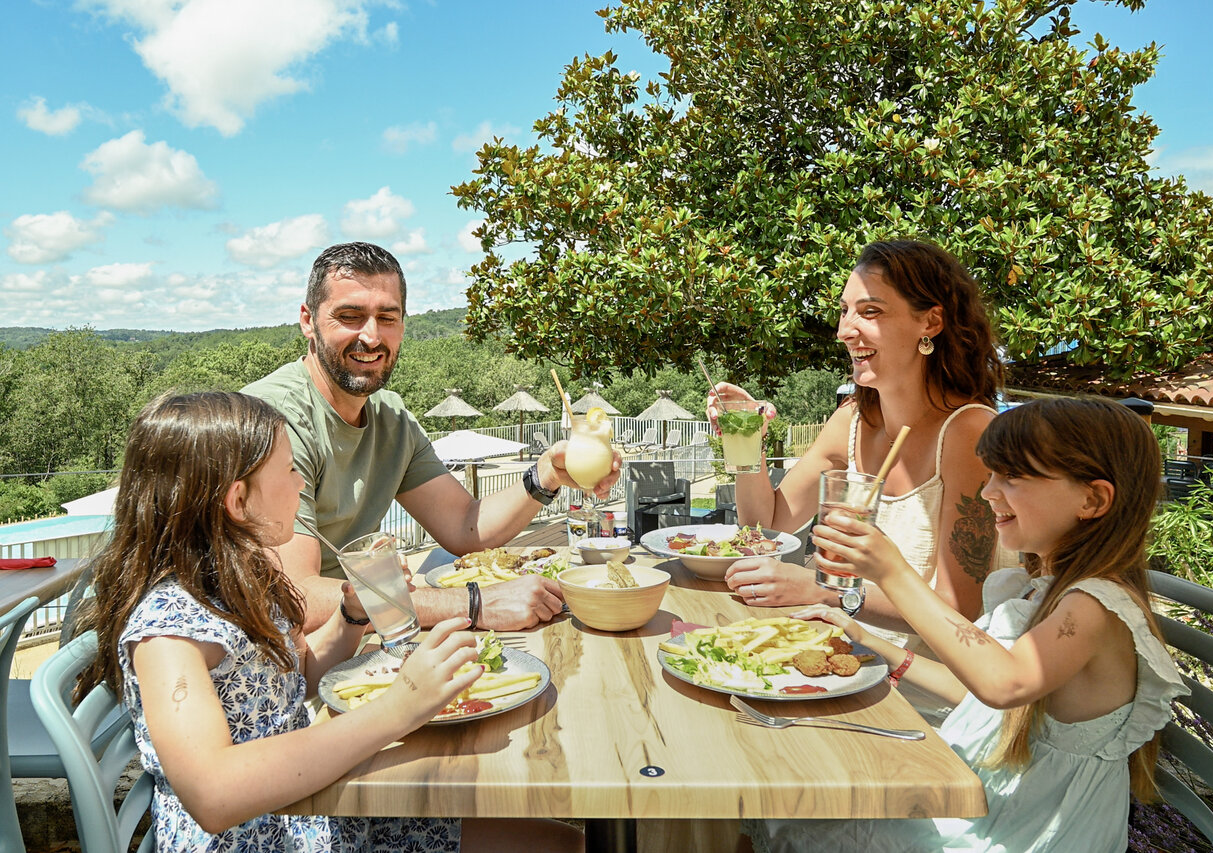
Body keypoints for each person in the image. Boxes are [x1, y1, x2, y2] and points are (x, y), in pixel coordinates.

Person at [77, 391, 584, 852]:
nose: (302, 483)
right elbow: (214, 794)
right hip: (265, 839)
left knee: (560, 842)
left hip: (319, 815)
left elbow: (295, 676)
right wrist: (400, 706)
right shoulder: (170, 629)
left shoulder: (240, 582)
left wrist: (350, 616)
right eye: (289, 472)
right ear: (237, 501)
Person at [744, 397, 1188, 852]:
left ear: (1092, 499)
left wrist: (892, 572)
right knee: (783, 797)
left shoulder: (1095, 606)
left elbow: (1005, 685)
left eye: (1011, 478)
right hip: (991, 801)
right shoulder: (1045, 589)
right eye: (992, 474)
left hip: (1026, 831)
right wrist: (866, 639)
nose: (988, 491)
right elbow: (985, 699)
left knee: (783, 810)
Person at [243, 242, 619, 633]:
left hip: (364, 639)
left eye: (387, 317)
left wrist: (547, 475)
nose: (371, 337)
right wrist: (472, 604)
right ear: (308, 320)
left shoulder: (390, 416)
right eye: (350, 316)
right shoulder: (272, 420)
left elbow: (465, 526)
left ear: (403, 324)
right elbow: (292, 598)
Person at [709, 240, 1013, 716]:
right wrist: (746, 441)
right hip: (843, 668)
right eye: (845, 311)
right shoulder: (851, 420)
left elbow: (960, 612)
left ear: (929, 323)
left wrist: (823, 592)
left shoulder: (968, 433)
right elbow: (766, 525)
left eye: (869, 312)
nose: (845, 331)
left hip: (927, 698)